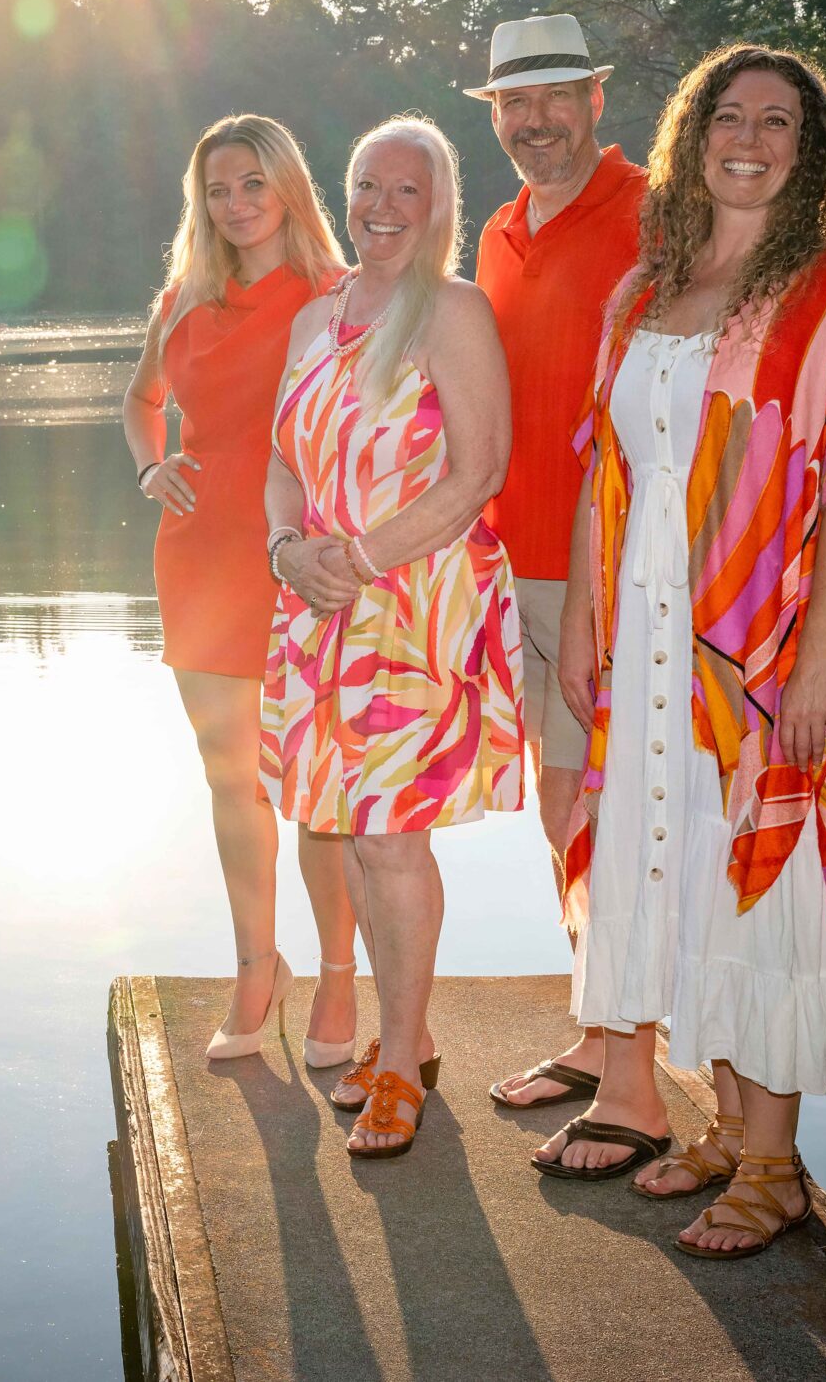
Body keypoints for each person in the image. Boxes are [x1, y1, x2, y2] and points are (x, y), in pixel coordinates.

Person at [528, 44, 826, 1264]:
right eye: (728, 117)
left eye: (778, 123)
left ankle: (775, 1162)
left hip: (759, 639)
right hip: (647, 631)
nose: (748, 138)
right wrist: (586, 626)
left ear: (809, 156)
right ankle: (720, 1124)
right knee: (677, 858)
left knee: (768, 871)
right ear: (692, 137)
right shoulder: (641, 288)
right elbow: (611, 467)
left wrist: (815, 663)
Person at [260, 115, 525, 1157]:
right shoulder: (314, 319)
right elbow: (282, 456)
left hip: (412, 601)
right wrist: (288, 549)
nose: (379, 206)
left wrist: (359, 561)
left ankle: (405, 1058)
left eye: (404, 190)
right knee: (356, 836)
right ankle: (397, 1038)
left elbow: (478, 470)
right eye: (366, 185)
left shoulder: (451, 311)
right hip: (319, 603)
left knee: (388, 835)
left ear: (437, 205)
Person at [124, 114, 359, 1064]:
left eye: (253, 184)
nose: (236, 204)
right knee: (232, 778)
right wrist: (152, 467)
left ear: (289, 189)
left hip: (299, 560)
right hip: (198, 556)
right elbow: (142, 402)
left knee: (319, 784)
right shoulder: (184, 297)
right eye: (218, 189)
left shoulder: (338, 295)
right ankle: (256, 969)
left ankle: (340, 981)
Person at [462, 14, 650, 1115]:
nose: (533, 123)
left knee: (617, 802)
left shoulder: (651, 214)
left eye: (552, 99)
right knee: (560, 798)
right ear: (494, 116)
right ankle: (598, 1024)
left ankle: (623, 1047)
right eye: (511, 105)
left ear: (593, 99)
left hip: (614, 573)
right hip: (510, 568)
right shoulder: (495, 232)